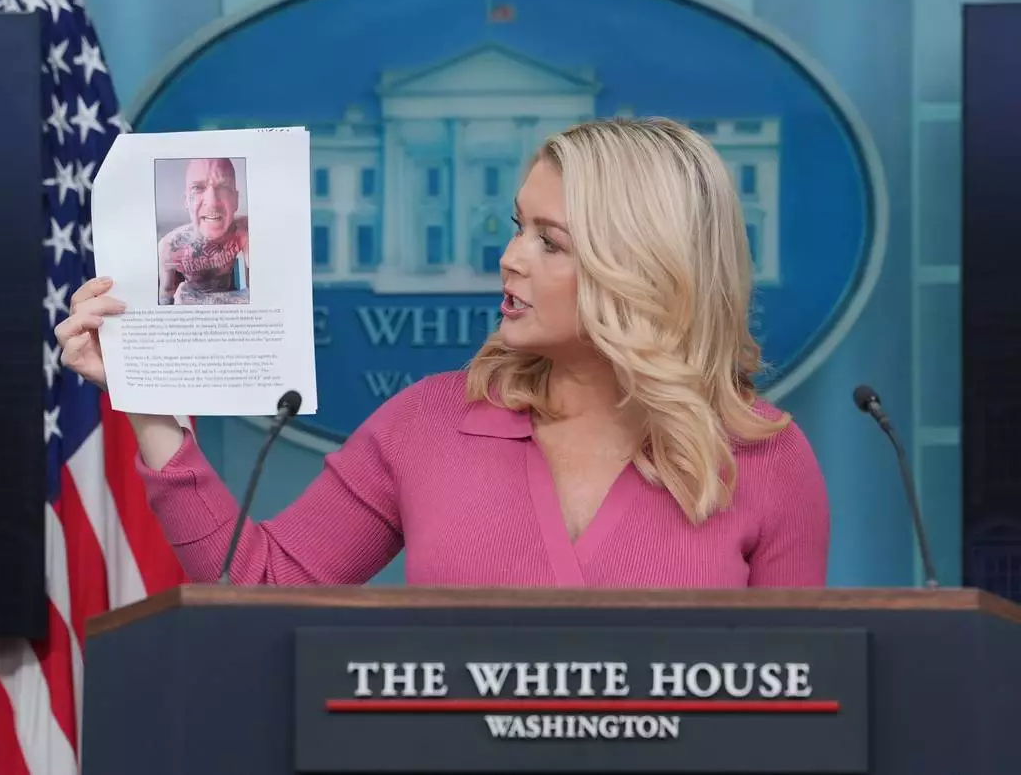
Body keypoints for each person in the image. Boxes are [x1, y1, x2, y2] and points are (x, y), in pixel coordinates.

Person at [56, 116, 829, 588]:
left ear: (645, 268)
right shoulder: (428, 423)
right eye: (518, 226)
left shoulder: (765, 457)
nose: (510, 257)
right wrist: (149, 405)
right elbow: (260, 586)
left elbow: (799, 712)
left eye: (550, 241)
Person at [157, 156, 250, 305]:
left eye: (224, 187)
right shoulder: (169, 247)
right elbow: (165, 297)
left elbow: (262, 293)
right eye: (198, 188)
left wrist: (197, 300)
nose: (212, 203)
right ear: (186, 201)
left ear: (235, 200)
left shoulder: (244, 231)